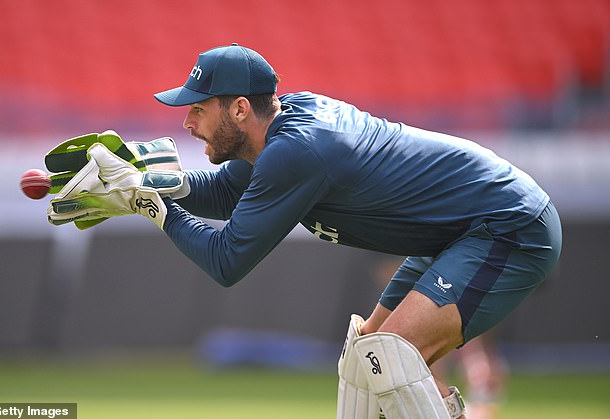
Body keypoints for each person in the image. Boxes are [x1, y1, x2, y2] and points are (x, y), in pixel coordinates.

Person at [47, 44, 562, 419]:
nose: (189, 122)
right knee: (364, 362)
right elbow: (226, 192)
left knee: (394, 357)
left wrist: (147, 203)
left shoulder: (296, 152)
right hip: (459, 231)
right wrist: (148, 181)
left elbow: (226, 262)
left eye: (199, 108)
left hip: (507, 225)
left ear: (240, 108)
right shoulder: (278, 135)